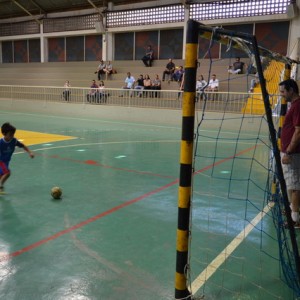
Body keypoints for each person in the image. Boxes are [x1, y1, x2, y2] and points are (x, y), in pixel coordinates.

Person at [279, 79, 300, 228]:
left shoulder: (298, 106)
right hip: (289, 153)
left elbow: (299, 131)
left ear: (291, 90)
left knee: (294, 186)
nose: (282, 94)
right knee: (290, 184)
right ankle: (293, 211)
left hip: (292, 154)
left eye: (283, 91)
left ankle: (295, 219)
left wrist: (289, 151)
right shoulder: (294, 105)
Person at [0, 122, 34, 193]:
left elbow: (23, 146)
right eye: (10, 134)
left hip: (6, 162)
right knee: (7, 173)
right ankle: (1, 186)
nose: (12, 136)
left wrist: (30, 152)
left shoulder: (14, 141)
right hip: (1, 161)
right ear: (4, 133)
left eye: (13, 134)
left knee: (2, 175)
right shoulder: (1, 143)